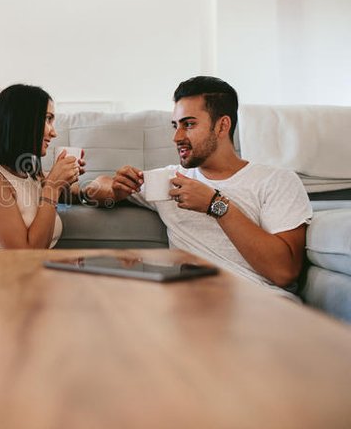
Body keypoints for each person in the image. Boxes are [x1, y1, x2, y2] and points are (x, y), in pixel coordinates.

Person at [84, 76, 312, 298]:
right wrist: (113, 189)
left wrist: (216, 205)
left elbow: (284, 272)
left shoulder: (277, 181)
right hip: (194, 304)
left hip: (262, 302)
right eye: (175, 126)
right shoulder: (167, 181)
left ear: (222, 126)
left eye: (189, 124)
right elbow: (94, 186)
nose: (177, 137)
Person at [0, 84, 83, 249]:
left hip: (37, 272)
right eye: (47, 119)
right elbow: (25, 255)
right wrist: (52, 186)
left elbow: (72, 194)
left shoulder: (31, 173)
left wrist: (79, 185)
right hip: (4, 273)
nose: (54, 133)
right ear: (22, 121)